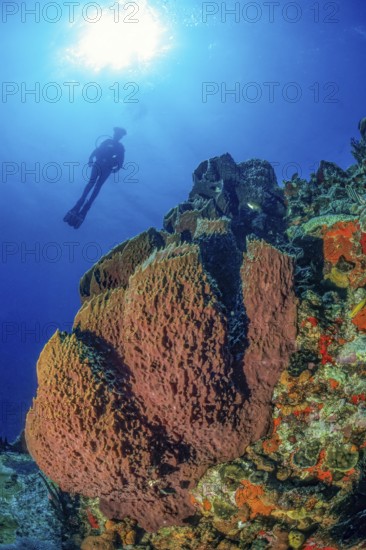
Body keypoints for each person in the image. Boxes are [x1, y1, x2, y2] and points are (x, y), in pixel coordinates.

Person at [64, 127, 126, 228]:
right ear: (114, 134)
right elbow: (97, 150)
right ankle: (82, 201)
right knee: (92, 183)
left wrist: (116, 168)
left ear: (121, 137)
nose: (117, 136)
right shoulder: (107, 141)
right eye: (116, 133)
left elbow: (121, 160)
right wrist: (90, 159)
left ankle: (87, 204)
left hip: (107, 168)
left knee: (98, 186)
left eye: (119, 135)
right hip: (99, 164)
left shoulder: (120, 147)